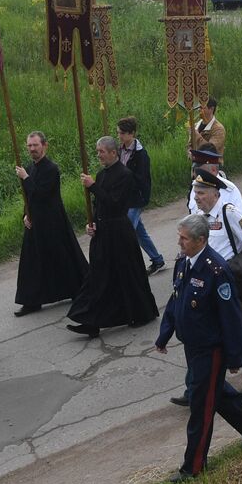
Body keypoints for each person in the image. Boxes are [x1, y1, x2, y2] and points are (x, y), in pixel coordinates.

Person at [154, 214, 242, 482]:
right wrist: (164, 335)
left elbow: (230, 318)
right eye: (179, 236)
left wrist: (233, 357)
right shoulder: (183, 263)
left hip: (211, 349)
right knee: (213, 392)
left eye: (184, 238)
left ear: (200, 240)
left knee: (201, 406)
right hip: (192, 346)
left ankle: (193, 467)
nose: (179, 242)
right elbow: (175, 302)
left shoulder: (216, 270)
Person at [171, 171, 242, 403]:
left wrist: (235, 271)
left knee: (240, 329)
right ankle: (194, 388)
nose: (197, 198)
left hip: (229, 281)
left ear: (216, 193)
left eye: (202, 193)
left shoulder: (229, 213)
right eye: (195, 192)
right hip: (205, 283)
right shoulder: (197, 215)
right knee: (203, 333)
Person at [66, 137, 159, 336]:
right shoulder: (101, 175)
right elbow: (99, 204)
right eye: (97, 151)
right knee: (97, 276)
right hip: (103, 232)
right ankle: (90, 321)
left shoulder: (125, 175)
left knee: (128, 275)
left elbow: (115, 203)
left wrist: (93, 187)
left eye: (101, 151)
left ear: (113, 152)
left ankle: (142, 313)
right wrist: (92, 223)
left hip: (119, 232)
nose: (98, 154)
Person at [14, 131, 88, 316]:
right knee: (32, 262)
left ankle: (78, 288)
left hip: (52, 220)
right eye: (29, 146)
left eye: (35, 145)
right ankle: (32, 301)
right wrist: (26, 215)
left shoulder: (51, 169)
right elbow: (29, 197)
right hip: (34, 222)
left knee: (62, 257)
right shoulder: (29, 168)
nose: (32, 149)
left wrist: (26, 178)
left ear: (44, 146)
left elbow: (42, 194)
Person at [116, 117, 165, 275]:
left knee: (126, 231)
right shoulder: (120, 150)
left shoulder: (141, 154)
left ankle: (127, 267)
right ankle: (157, 259)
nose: (120, 136)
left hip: (136, 198)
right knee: (139, 232)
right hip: (124, 197)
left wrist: (124, 177)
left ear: (132, 134)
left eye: (122, 133)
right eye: (118, 133)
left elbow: (141, 179)